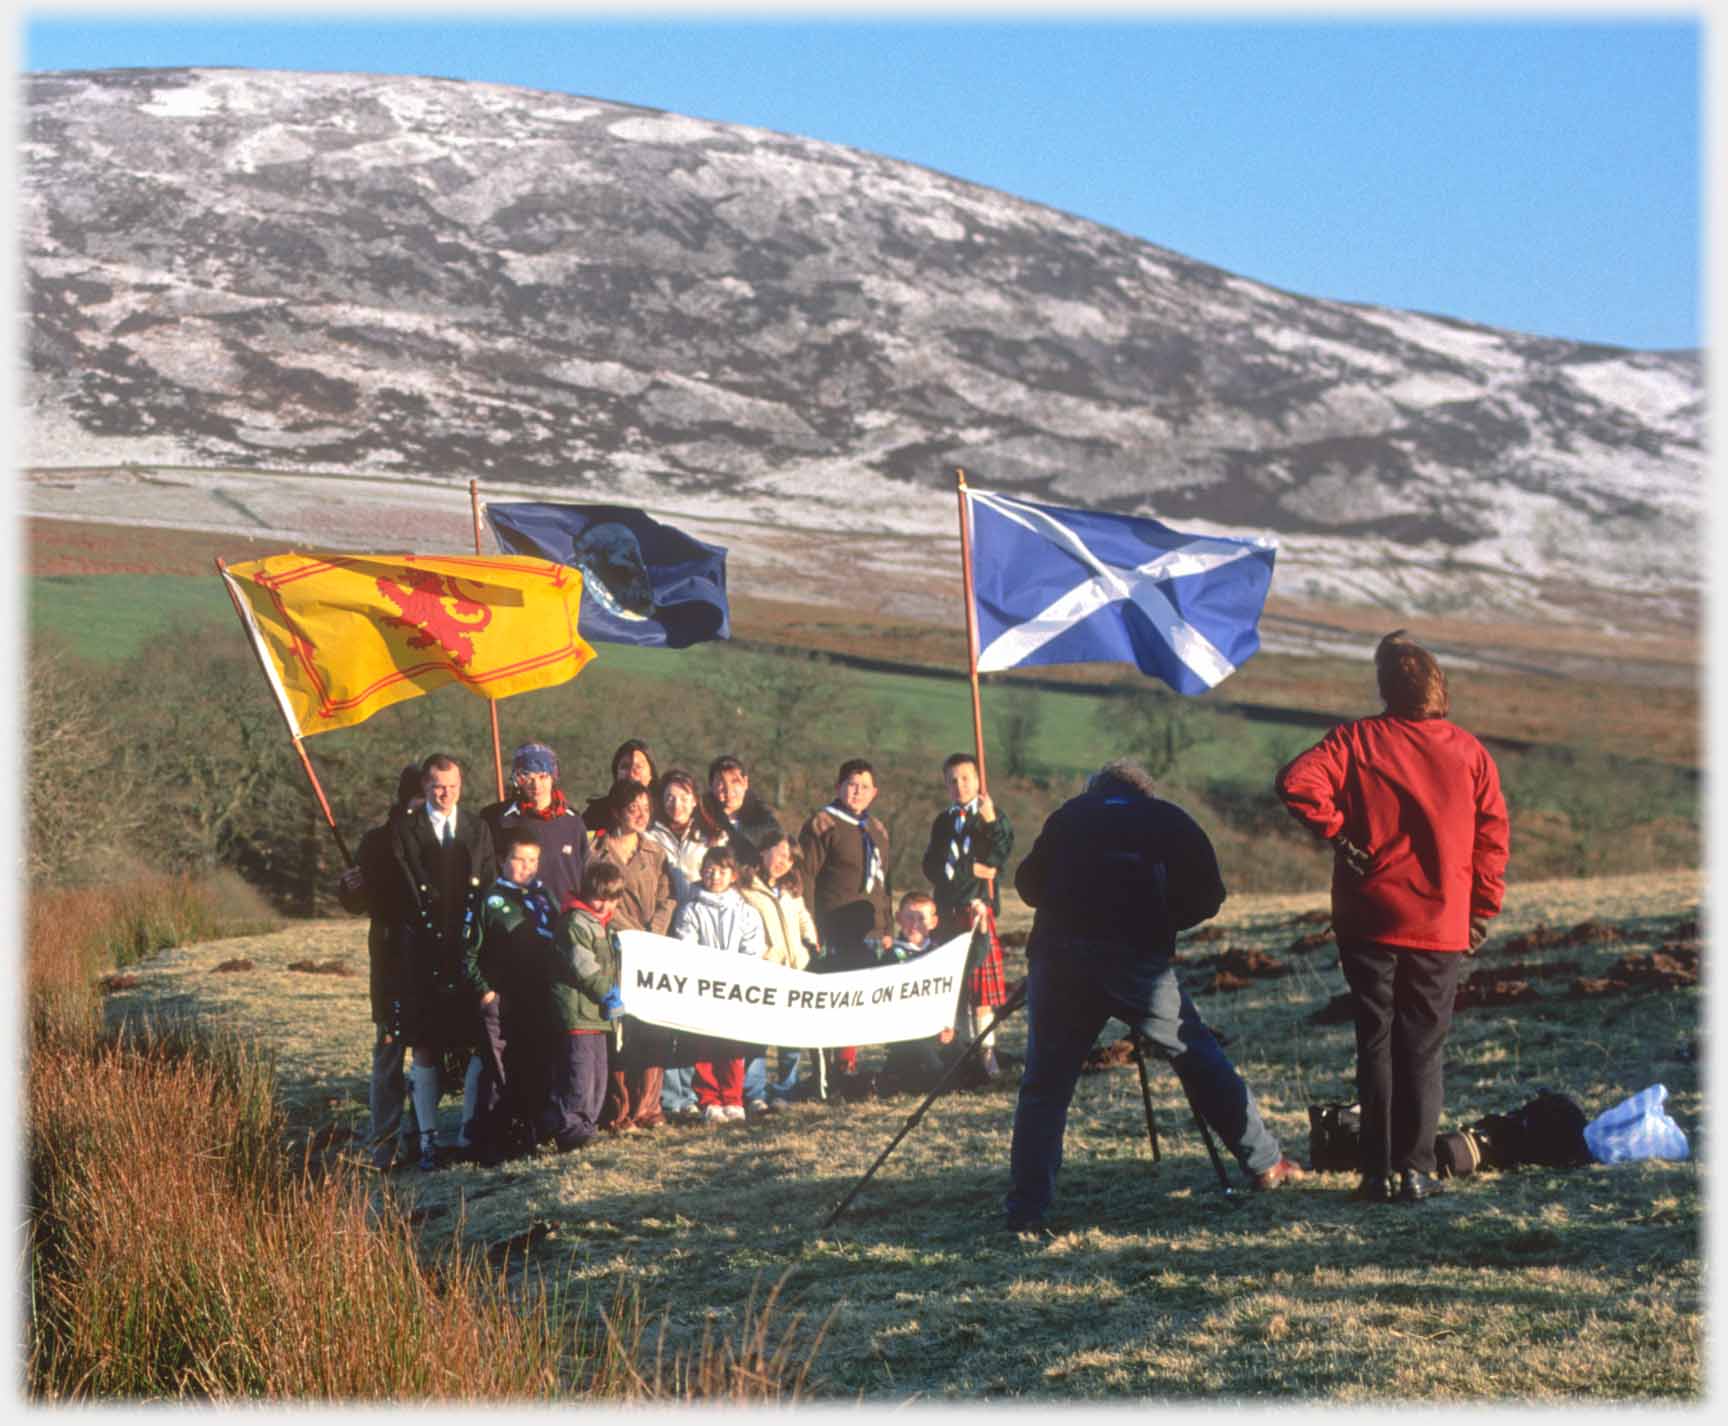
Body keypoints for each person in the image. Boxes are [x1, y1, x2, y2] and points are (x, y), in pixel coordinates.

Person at [1004, 758, 1302, 1231]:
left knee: (1045, 1086)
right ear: (1145, 790)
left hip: (1060, 962)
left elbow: (1027, 886)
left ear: (1095, 789)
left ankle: (1026, 1209)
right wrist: (1163, 920)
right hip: (1137, 963)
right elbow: (1210, 896)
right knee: (1199, 1058)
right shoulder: (1169, 818)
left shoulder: (1070, 815)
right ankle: (1264, 1162)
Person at [1275, 630, 1511, 1205]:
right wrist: (1480, 910)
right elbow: (1492, 840)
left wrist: (1341, 835)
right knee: (1422, 1046)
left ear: (1386, 688)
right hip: (1440, 921)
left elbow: (1296, 783)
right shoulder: (1470, 752)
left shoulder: (1356, 740)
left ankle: (1375, 1172)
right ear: (1437, 688)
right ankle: (1416, 1169)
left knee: (1374, 1041)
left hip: (1369, 914)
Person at [347, 753, 497, 1172]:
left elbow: (486, 887)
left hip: (458, 958)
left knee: (463, 1046)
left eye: (448, 786)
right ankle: (398, 1144)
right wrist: (351, 889)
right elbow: (367, 899)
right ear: (419, 791)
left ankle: (452, 1134)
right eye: (432, 787)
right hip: (405, 963)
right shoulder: (389, 838)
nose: (440, 794)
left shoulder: (473, 830)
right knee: (405, 1050)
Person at [335, 764, 425, 1171]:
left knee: (431, 1056)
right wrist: (350, 887)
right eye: (421, 798)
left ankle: (425, 1138)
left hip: (437, 961)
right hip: (391, 958)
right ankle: (385, 1144)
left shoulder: (453, 836)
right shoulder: (377, 842)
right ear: (406, 800)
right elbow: (358, 902)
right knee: (389, 1052)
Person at [590, 777, 678, 1132]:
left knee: (652, 1027)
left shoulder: (656, 852)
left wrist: (654, 931)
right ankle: (619, 1110)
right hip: (612, 950)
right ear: (616, 812)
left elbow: (668, 898)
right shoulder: (595, 850)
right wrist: (629, 932)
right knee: (619, 1031)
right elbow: (594, 897)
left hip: (651, 950)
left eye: (646, 808)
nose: (641, 815)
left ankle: (649, 1108)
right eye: (632, 808)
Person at [800, 758, 894, 1087]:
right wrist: (810, 926)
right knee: (832, 999)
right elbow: (806, 878)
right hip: (832, 925)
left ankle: (847, 1064)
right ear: (839, 787)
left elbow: (886, 884)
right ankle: (823, 1071)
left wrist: (887, 928)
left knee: (857, 999)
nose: (857, 791)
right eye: (851, 785)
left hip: (867, 928)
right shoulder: (822, 823)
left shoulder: (877, 829)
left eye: (864, 786)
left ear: (874, 792)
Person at [464, 832, 558, 1165]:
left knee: (533, 1065)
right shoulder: (489, 899)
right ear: (504, 860)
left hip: (538, 999)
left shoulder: (543, 896)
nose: (526, 867)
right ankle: (490, 1142)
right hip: (501, 999)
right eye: (520, 859)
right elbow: (468, 952)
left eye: (533, 860)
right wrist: (484, 991)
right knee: (498, 1071)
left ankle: (528, 1135)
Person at [921, 752, 1014, 1079]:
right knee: (955, 989)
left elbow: (997, 857)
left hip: (978, 912)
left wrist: (990, 824)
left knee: (981, 996)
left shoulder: (992, 818)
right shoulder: (943, 822)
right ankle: (960, 1052)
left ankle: (987, 1052)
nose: (959, 786)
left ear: (978, 781)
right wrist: (965, 870)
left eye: (965, 778)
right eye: (952, 780)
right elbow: (931, 867)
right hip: (947, 913)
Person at [648, 768, 727, 1119]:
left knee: (700, 1020)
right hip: (665, 934)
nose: (676, 804)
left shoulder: (713, 836)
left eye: (682, 797)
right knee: (670, 1019)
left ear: (695, 800)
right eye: (668, 797)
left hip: (703, 935)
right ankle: (675, 1096)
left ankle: (703, 1090)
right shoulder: (652, 836)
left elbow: (725, 879)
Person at [670, 845, 767, 1124]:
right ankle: (709, 1099)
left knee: (733, 1046)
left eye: (722, 871)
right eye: (710, 870)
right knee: (704, 1045)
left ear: (733, 875)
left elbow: (753, 948)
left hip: (735, 989)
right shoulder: (690, 909)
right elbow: (685, 943)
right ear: (701, 872)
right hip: (703, 988)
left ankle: (733, 1098)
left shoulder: (746, 912)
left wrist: (736, 973)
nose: (715, 876)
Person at [539, 860, 630, 1154]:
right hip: (577, 1013)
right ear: (587, 893)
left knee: (597, 1076)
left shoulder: (604, 925)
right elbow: (584, 968)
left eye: (612, 899)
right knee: (578, 1076)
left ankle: (586, 1127)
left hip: (598, 1017)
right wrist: (608, 993)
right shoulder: (575, 922)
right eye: (599, 898)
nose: (605, 905)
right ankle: (568, 1131)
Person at [737, 832, 820, 1110]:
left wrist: (809, 941)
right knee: (756, 1037)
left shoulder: (790, 891)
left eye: (790, 859)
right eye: (780, 854)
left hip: (794, 968)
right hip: (763, 970)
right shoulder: (744, 888)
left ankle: (785, 1089)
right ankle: (755, 1093)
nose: (784, 862)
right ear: (763, 851)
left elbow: (803, 916)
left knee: (791, 1035)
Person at [480, 741, 588, 913]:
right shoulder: (497, 819)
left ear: (553, 777)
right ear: (517, 779)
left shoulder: (573, 821)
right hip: (518, 919)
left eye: (543, 776)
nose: (536, 785)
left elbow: (585, 873)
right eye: (527, 777)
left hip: (565, 919)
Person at [878, 892, 962, 1096]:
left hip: (937, 1029)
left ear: (933, 922)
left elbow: (950, 992)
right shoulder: (890, 954)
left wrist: (949, 1025)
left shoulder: (941, 952)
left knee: (957, 1068)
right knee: (923, 1074)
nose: (915, 924)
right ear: (899, 919)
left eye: (921, 918)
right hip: (904, 1032)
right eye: (909, 917)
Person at [703, 754, 783, 868]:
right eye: (720, 783)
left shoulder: (766, 822)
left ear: (745, 782)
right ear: (711, 786)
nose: (728, 790)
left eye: (734, 781)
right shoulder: (701, 821)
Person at [583, 738, 658, 831]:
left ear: (651, 774)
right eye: (625, 766)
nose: (631, 773)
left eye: (638, 766)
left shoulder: (664, 810)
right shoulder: (596, 812)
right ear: (616, 774)